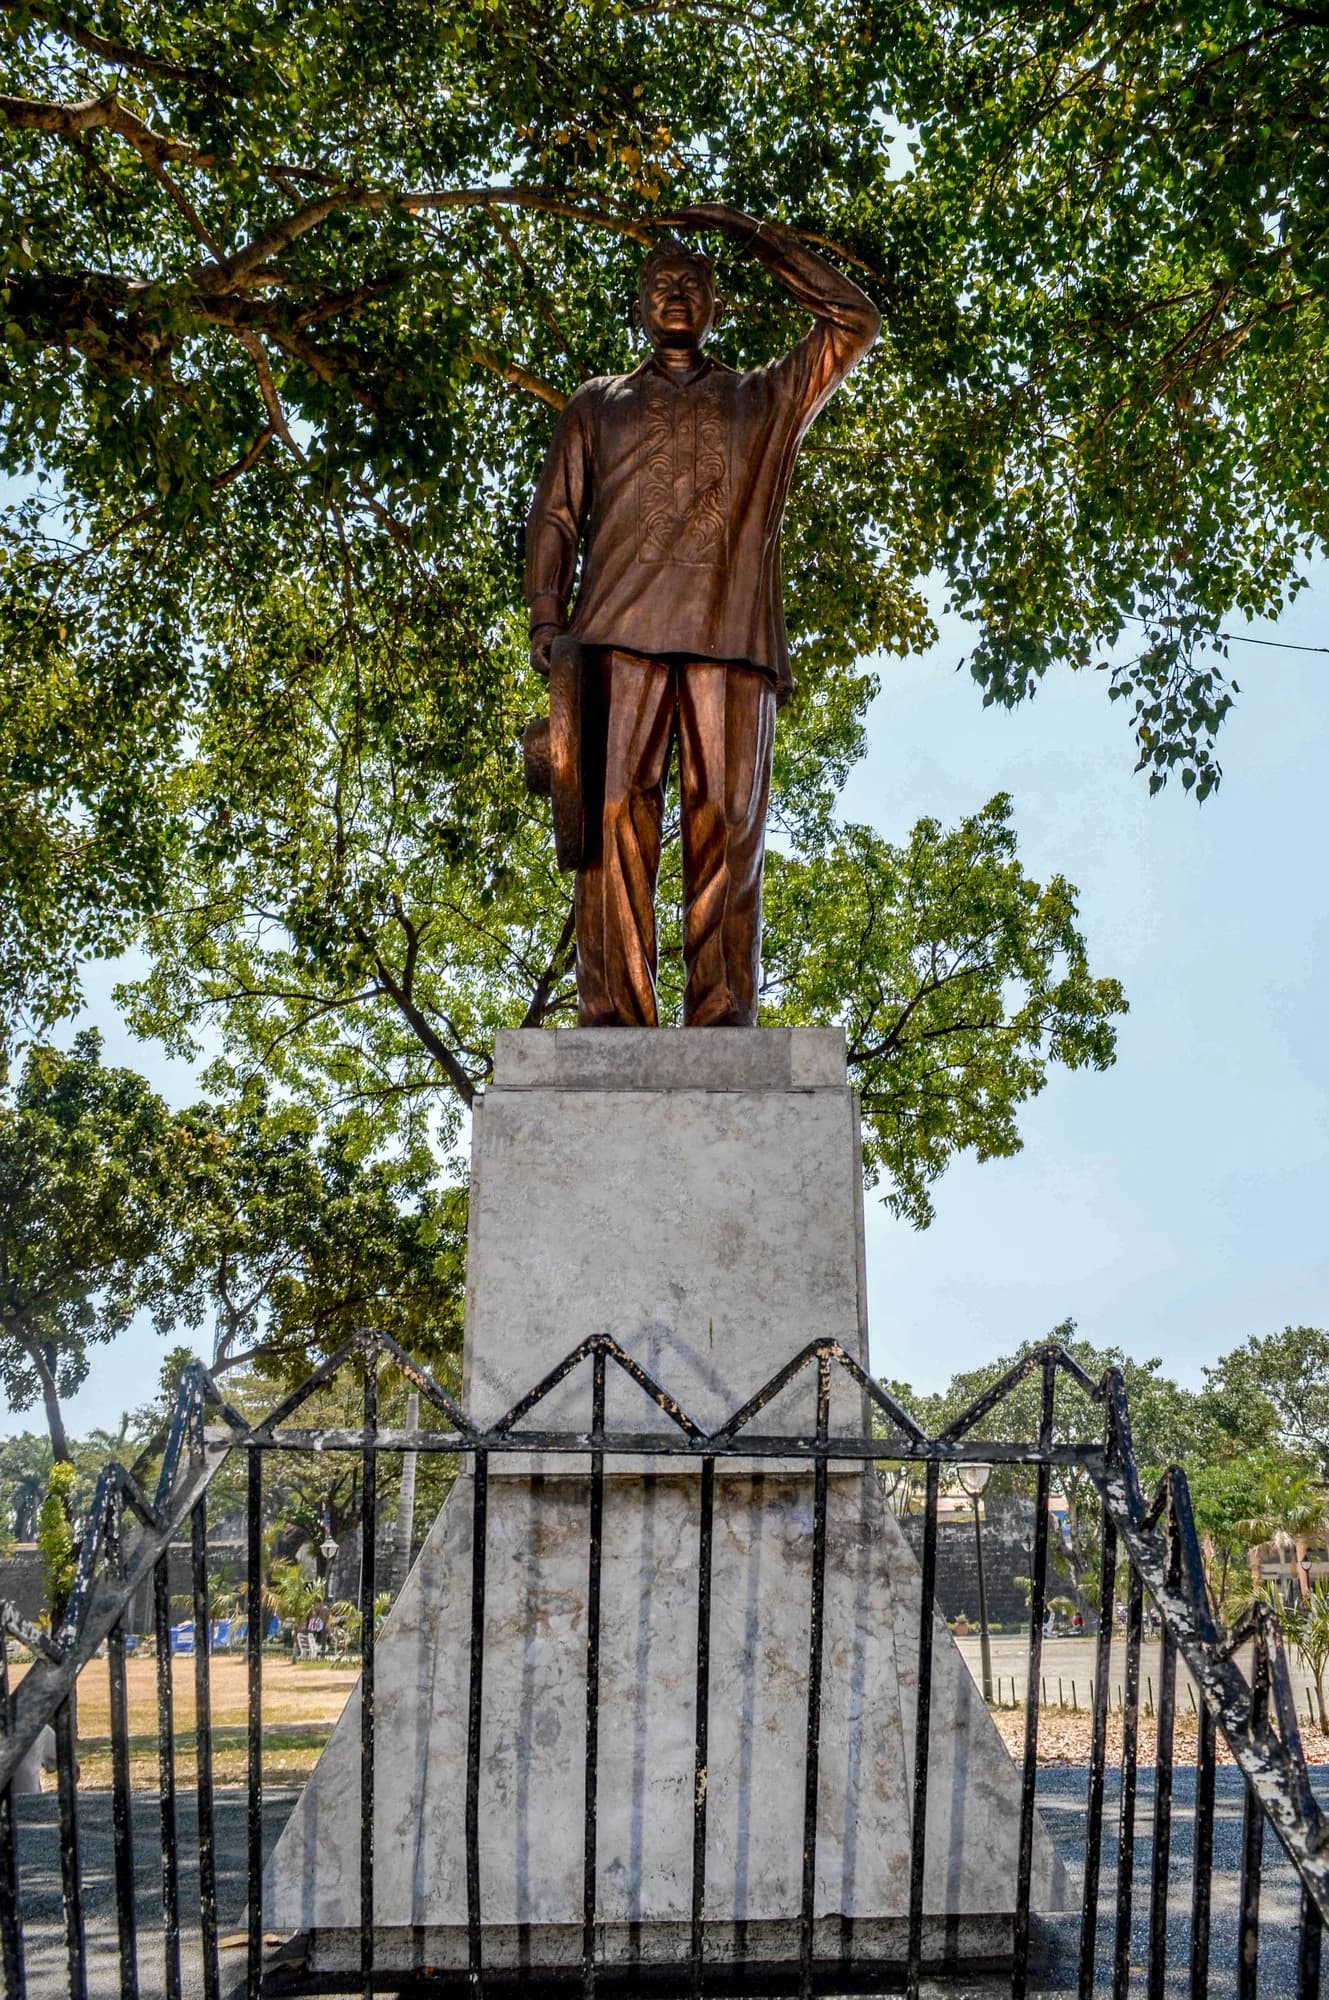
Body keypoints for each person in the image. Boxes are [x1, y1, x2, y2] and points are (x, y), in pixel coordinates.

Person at [525, 204, 879, 1028]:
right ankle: (614, 1017)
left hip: (731, 638)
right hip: (611, 639)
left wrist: (758, 239)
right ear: (638, 305)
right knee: (610, 820)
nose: (676, 292)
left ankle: (722, 1018)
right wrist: (547, 617)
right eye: (658, 283)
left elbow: (855, 321)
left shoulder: (764, 399)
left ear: (718, 303)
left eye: (693, 282)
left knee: (728, 817)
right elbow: (555, 515)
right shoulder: (596, 402)